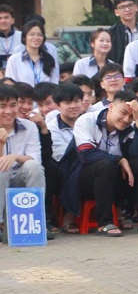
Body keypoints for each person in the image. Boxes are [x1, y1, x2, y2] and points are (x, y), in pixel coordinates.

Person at [73, 90, 138, 236]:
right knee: (106, 164)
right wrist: (118, 159)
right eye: (123, 112)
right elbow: (86, 155)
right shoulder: (86, 120)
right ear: (111, 107)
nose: (126, 119)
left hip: (116, 181)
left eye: (131, 116)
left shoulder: (129, 127)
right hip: (86, 180)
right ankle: (104, 223)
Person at [0, 83, 46, 242]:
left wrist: (15, 157)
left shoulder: (30, 127)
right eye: (2, 106)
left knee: (33, 166)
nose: (8, 111)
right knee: (2, 169)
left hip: (19, 178)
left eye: (13, 105)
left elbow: (35, 158)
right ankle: (0, 224)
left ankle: (36, 221)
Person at [47, 82, 85, 233]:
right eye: (67, 102)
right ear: (58, 105)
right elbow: (60, 155)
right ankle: (69, 215)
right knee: (75, 158)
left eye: (76, 101)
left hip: (89, 167)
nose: (73, 106)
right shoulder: (52, 127)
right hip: (62, 170)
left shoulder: (89, 121)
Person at [106, 0, 138, 64]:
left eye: (130, 5)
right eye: (122, 7)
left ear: (136, 7)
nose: (127, 9)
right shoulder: (111, 33)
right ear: (116, 12)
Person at [0, 4, 21, 72]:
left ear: (12, 20)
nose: (3, 21)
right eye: (0, 18)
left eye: (6, 18)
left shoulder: (22, 36)